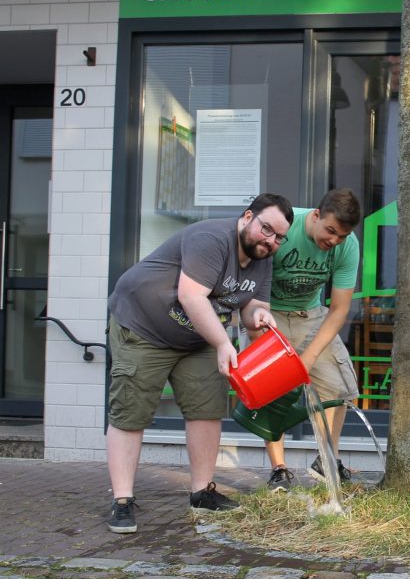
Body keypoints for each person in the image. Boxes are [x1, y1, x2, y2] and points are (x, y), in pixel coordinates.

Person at [105, 194, 294, 533]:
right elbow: (191, 296)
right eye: (267, 229)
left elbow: (252, 309)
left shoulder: (263, 260)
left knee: (206, 409)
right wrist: (223, 342)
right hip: (143, 325)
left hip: (198, 337)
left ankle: (201, 493)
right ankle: (122, 500)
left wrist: (260, 314)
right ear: (247, 217)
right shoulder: (211, 238)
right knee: (131, 411)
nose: (271, 241)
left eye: (279, 237)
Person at [261, 188, 361, 492]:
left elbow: (339, 309)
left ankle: (326, 459)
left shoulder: (347, 247)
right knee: (270, 391)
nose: (333, 241)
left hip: (311, 315)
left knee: (340, 387)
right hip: (267, 313)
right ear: (316, 216)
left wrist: (308, 358)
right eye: (330, 231)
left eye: (341, 236)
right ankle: (279, 470)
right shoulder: (285, 230)